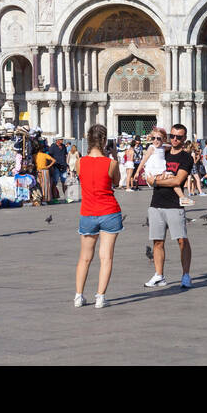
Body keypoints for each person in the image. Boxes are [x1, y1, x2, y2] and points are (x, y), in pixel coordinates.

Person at [75, 124, 123, 308]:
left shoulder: (80, 162)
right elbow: (117, 183)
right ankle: (100, 298)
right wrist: (115, 156)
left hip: (87, 212)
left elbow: (83, 179)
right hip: (109, 211)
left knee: (85, 257)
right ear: (104, 141)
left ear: (88, 140)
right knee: (106, 257)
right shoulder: (111, 163)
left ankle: (78, 296)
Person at [145, 124, 195, 289]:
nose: (174, 139)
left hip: (174, 204)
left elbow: (177, 181)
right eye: (172, 136)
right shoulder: (162, 152)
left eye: (178, 137)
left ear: (184, 139)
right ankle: (159, 275)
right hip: (156, 202)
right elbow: (149, 164)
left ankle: (186, 275)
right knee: (157, 242)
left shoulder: (186, 158)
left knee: (181, 240)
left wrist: (156, 181)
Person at [34, 141, 57, 205]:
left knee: (39, 185)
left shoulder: (35, 155)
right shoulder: (45, 155)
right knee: (46, 186)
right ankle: (46, 199)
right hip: (45, 170)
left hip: (38, 171)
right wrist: (49, 166)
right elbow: (54, 160)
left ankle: (40, 198)